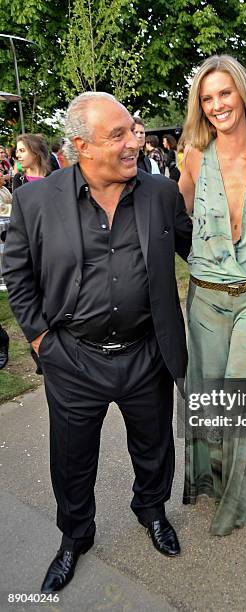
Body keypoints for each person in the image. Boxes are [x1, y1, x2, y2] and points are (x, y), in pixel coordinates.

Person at [4, 92, 192, 592]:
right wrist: (42, 340)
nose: (136, 141)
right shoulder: (35, 200)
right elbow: (17, 274)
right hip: (73, 358)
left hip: (146, 353)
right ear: (81, 146)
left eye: (134, 129)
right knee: (71, 458)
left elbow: (199, 250)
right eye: (120, 135)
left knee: (154, 448)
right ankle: (74, 536)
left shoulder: (161, 194)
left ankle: (151, 511)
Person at [179, 55, 246, 536]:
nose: (218, 104)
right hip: (206, 300)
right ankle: (211, 481)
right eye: (207, 97)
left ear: (243, 93)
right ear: (200, 106)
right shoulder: (193, 158)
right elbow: (186, 223)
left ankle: (239, 499)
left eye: (225, 93)